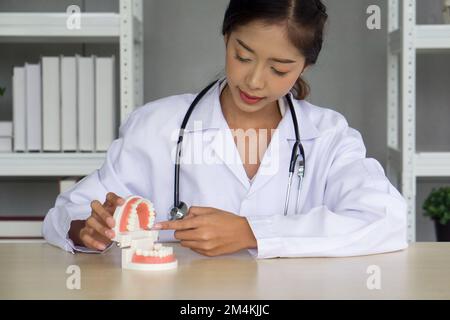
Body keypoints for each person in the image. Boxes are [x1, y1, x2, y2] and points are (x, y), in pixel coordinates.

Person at [43, 0, 408, 259]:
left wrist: (252, 232)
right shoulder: (157, 125)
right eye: (243, 56)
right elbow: (69, 209)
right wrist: (85, 229)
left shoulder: (327, 136)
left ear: (304, 68)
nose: (253, 80)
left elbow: (386, 219)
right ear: (226, 38)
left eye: (279, 69)